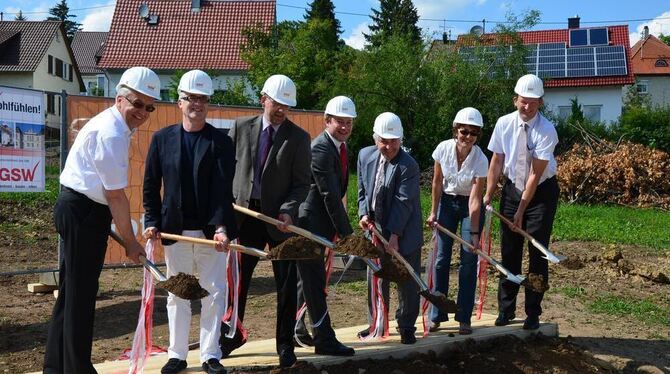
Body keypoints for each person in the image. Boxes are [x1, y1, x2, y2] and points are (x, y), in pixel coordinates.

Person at [43, 66, 159, 374]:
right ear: (120, 98)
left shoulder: (115, 126)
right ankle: (76, 369)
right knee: (80, 298)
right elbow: (116, 196)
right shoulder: (111, 133)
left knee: (71, 294)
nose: (142, 111)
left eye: (149, 106)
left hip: (82, 209)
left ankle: (56, 367)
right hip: (83, 211)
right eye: (136, 103)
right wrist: (132, 243)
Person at [142, 70, 237, 374]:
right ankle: (177, 355)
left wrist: (222, 228)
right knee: (177, 293)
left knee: (213, 292)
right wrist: (153, 221)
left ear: (208, 103)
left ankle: (210, 354)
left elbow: (224, 190)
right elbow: (150, 185)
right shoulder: (162, 139)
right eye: (190, 98)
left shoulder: (220, 142)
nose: (196, 103)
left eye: (201, 98)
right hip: (175, 230)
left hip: (210, 233)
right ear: (179, 102)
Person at [220, 74, 311, 368]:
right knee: (238, 281)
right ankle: (232, 334)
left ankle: (285, 343)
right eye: (277, 103)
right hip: (244, 217)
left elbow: (301, 184)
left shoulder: (298, 138)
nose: (282, 110)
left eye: (287, 105)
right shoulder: (240, 127)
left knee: (285, 284)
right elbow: (225, 170)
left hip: (279, 221)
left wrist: (287, 210)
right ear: (263, 100)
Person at [483, 74, 559, 331]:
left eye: (533, 103)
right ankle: (506, 310)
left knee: (537, 251)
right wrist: (488, 193)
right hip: (513, 189)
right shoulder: (504, 123)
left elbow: (536, 175)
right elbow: (496, 161)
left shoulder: (546, 130)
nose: (527, 107)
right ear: (515, 99)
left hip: (541, 194)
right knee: (510, 250)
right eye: (523, 102)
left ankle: (533, 312)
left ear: (540, 102)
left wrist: (522, 211)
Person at [293, 96, 357, 356]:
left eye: (348, 123)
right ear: (327, 120)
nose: (344, 127)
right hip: (311, 222)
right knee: (314, 282)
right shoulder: (320, 148)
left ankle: (296, 329)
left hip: (321, 222)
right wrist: (347, 235)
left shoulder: (339, 147)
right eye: (339, 122)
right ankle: (324, 338)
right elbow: (329, 194)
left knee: (306, 280)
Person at [356, 112, 423, 345]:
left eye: (393, 141)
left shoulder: (408, 165)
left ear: (401, 140)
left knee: (406, 279)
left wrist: (394, 235)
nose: (388, 146)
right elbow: (363, 189)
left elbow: (403, 203)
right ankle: (377, 323)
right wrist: (364, 213)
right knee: (376, 277)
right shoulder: (365, 155)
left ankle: (406, 326)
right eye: (383, 140)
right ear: (375, 139)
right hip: (374, 227)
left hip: (403, 230)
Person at [425, 107, 488, 335]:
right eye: (464, 132)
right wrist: (433, 212)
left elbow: (475, 199)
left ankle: (464, 317)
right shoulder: (442, 149)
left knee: (468, 263)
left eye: (473, 133)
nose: (467, 137)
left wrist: (473, 233)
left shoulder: (481, 159)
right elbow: (436, 182)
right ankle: (437, 314)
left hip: (468, 208)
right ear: (455, 130)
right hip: (446, 205)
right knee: (441, 260)